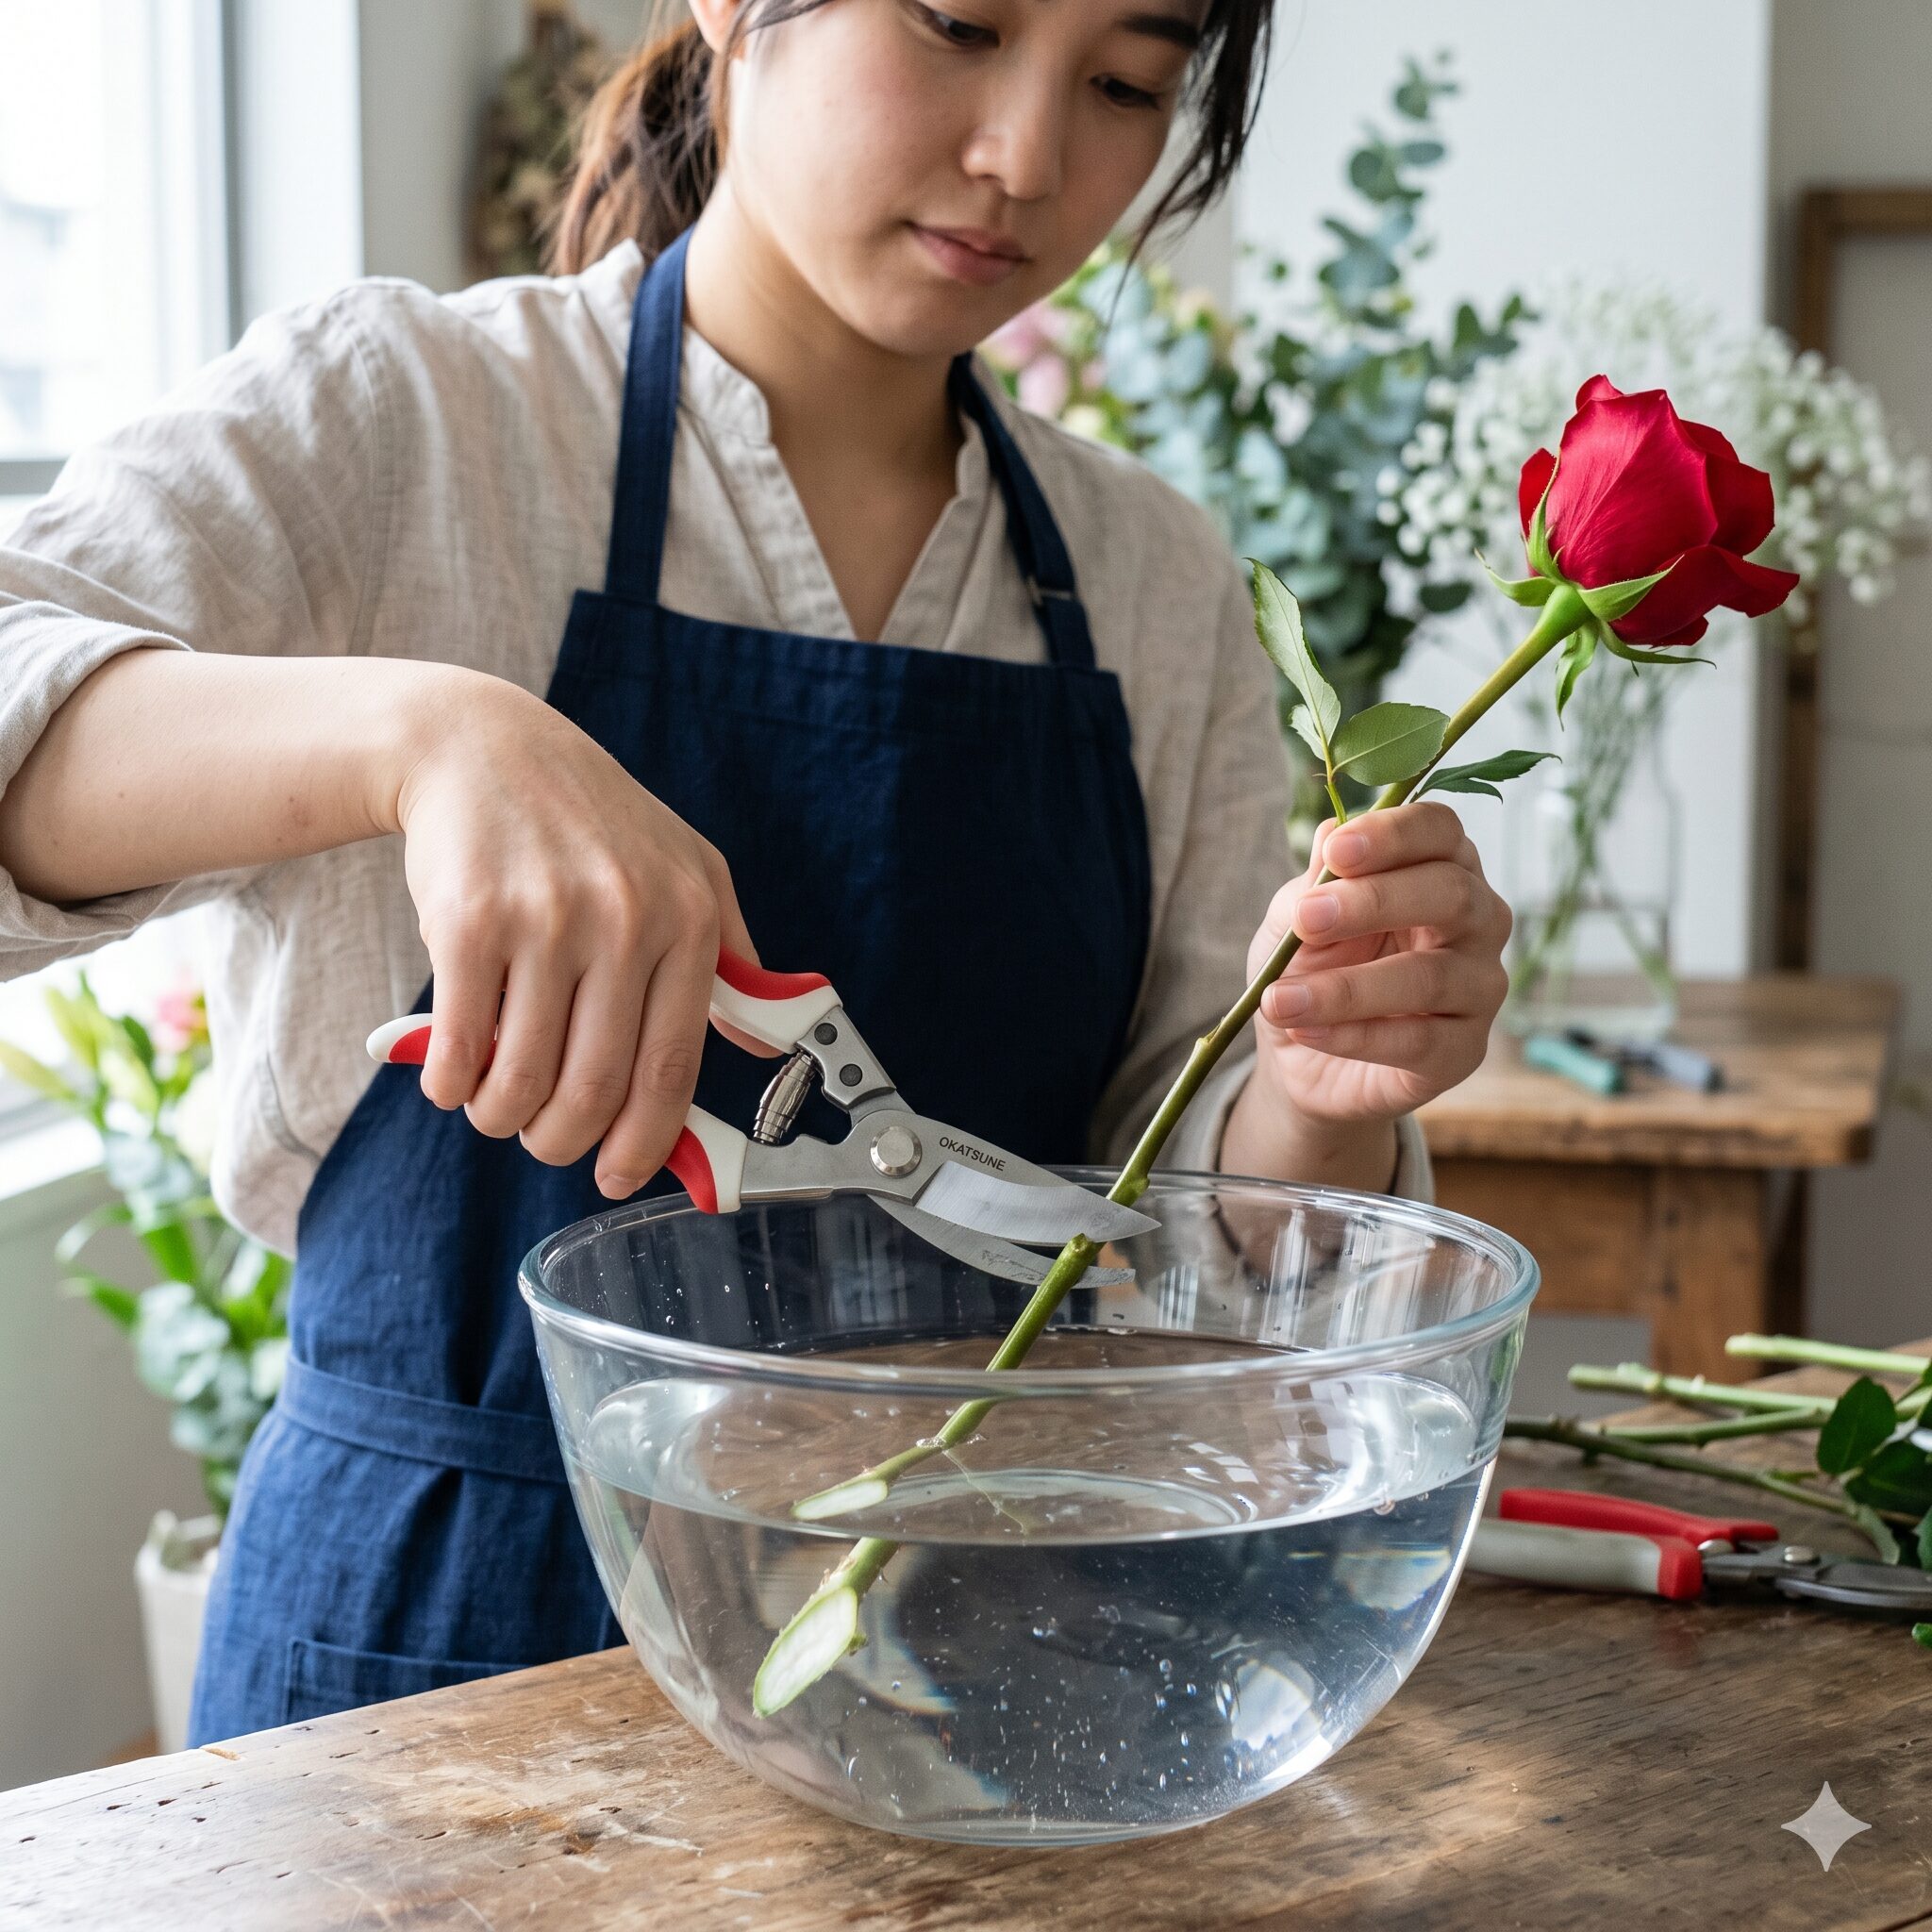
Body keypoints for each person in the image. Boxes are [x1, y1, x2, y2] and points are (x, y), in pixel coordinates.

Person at [0, 0, 1512, 1741]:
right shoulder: (408, 418)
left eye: (1125, 84)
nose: (1026, 157)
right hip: (418, 1660)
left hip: (978, 1673)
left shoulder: (1153, 582)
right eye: (958, 24)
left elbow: (1195, 1249)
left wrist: (1321, 1089)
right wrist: (425, 739)